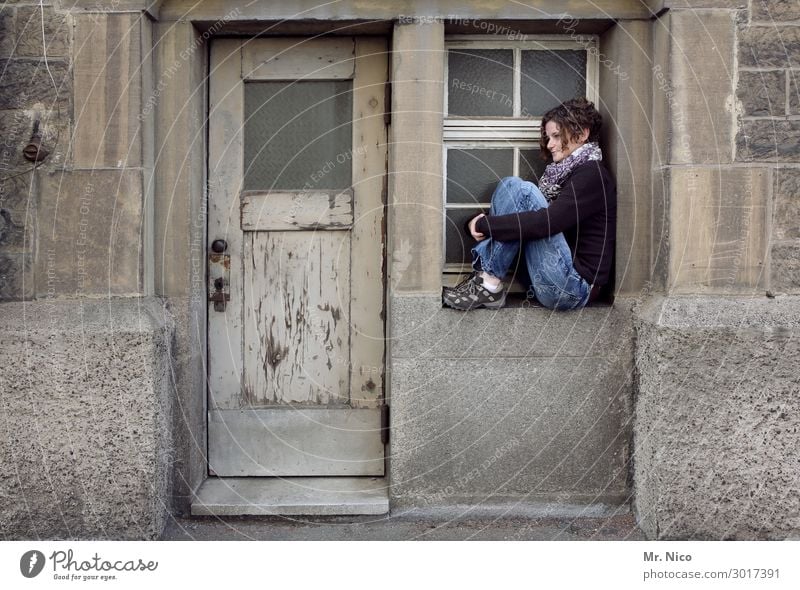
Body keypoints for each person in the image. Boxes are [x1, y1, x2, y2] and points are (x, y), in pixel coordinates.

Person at [442, 97, 616, 311]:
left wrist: (483, 225)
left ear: (582, 134)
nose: (550, 144)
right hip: (544, 278)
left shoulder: (592, 174)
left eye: (556, 136)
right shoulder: (562, 175)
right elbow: (523, 219)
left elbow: (548, 222)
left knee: (524, 191)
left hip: (573, 288)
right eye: (548, 137)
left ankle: (488, 283)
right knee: (511, 186)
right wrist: (476, 222)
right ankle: (488, 282)